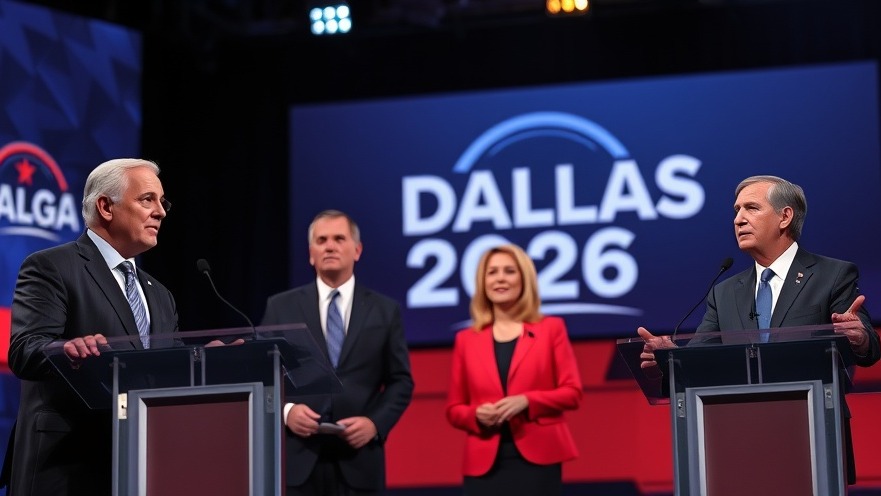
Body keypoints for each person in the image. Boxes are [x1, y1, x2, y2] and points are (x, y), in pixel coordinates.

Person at [638, 174, 880, 485]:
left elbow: (869, 347)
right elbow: (698, 359)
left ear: (785, 216)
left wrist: (859, 338)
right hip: (737, 439)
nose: (738, 219)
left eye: (751, 208)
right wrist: (671, 358)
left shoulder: (833, 275)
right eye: (736, 210)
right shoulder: (724, 292)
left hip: (813, 433)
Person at [0, 158, 178, 495]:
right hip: (65, 466)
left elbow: (166, 369)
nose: (161, 212)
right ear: (106, 207)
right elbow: (24, 349)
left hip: (136, 466)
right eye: (147, 200)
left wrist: (209, 363)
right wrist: (64, 349)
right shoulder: (52, 266)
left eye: (162, 201)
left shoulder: (160, 295)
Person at [260, 209, 414, 496]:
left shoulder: (384, 310)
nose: (329, 246)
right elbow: (263, 376)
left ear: (357, 250)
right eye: (322, 240)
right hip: (297, 460)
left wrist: (375, 423)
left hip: (359, 460)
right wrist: (286, 412)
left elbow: (400, 381)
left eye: (339, 238)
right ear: (310, 253)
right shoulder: (281, 307)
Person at [446, 243, 583, 496]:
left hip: (539, 458)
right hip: (483, 463)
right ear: (482, 282)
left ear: (524, 278)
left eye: (509, 271)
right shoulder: (466, 339)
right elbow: (454, 409)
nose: (500, 278)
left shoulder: (551, 328)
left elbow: (573, 392)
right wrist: (476, 414)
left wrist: (527, 401)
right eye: (492, 272)